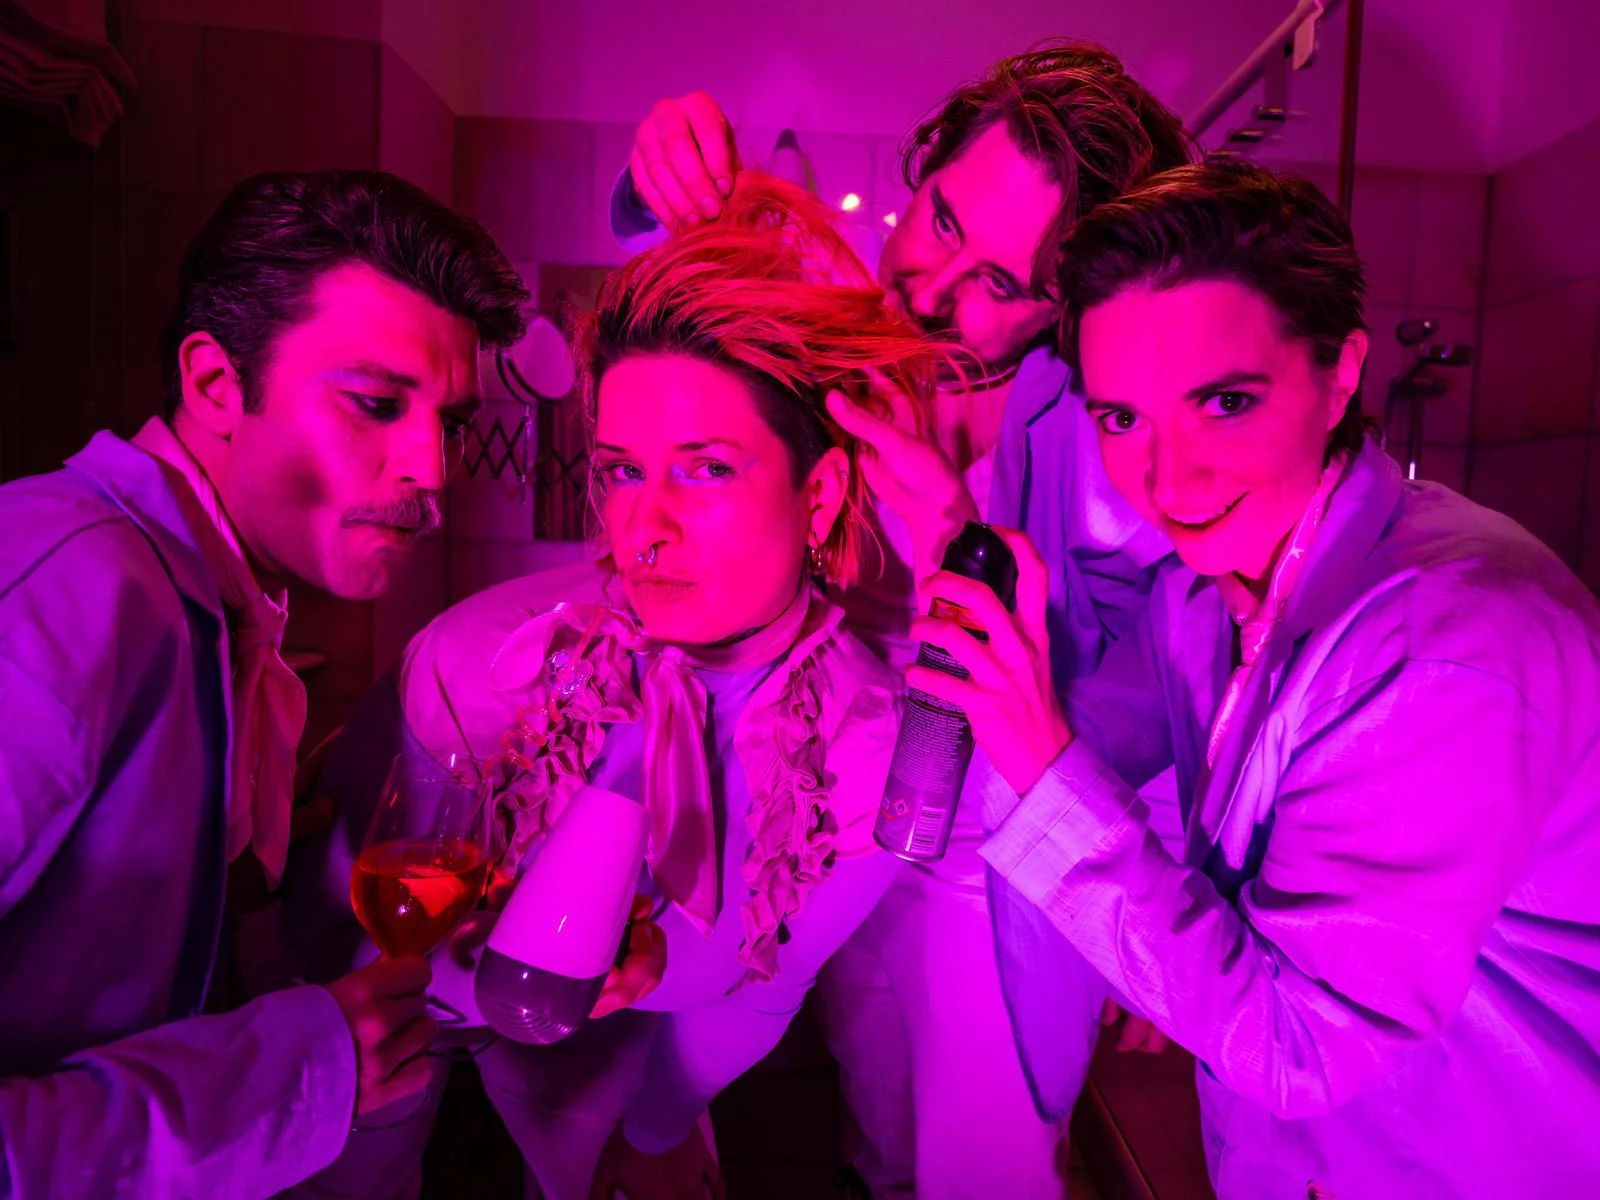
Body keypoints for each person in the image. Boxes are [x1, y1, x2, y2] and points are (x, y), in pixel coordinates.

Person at [912, 160, 1600, 1196]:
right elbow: (1077, 741)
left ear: (1340, 373)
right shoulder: (1206, 595)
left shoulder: (1446, 645)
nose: (1166, 478)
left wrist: (1042, 760)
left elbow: (1299, 1043)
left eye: (1225, 402)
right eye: (1121, 418)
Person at [283, 174, 955, 1200]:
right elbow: (333, 929)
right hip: (381, 1042)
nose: (644, 530)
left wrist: (654, 1126)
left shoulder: (867, 758)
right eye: (622, 471)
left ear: (818, 497)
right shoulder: (480, 665)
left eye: (706, 469)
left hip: (623, 1072)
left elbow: (760, 993)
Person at [620, 42, 1191, 1195]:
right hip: (838, 799)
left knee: (986, 1162)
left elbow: (1160, 681)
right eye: (941, 221)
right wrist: (651, 181)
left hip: (994, 849)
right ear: (924, 164)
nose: (931, 290)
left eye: (1000, 285)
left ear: (1069, 306)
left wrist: (1158, 907)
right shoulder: (834, 312)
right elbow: (666, 302)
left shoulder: (1102, 429)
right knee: (870, 1121)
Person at [0, 169, 532, 1197]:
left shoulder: (221, 618)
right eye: (375, 404)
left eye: (452, 424)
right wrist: (295, 1077)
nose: (431, 470)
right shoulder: (60, 593)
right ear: (214, 384)